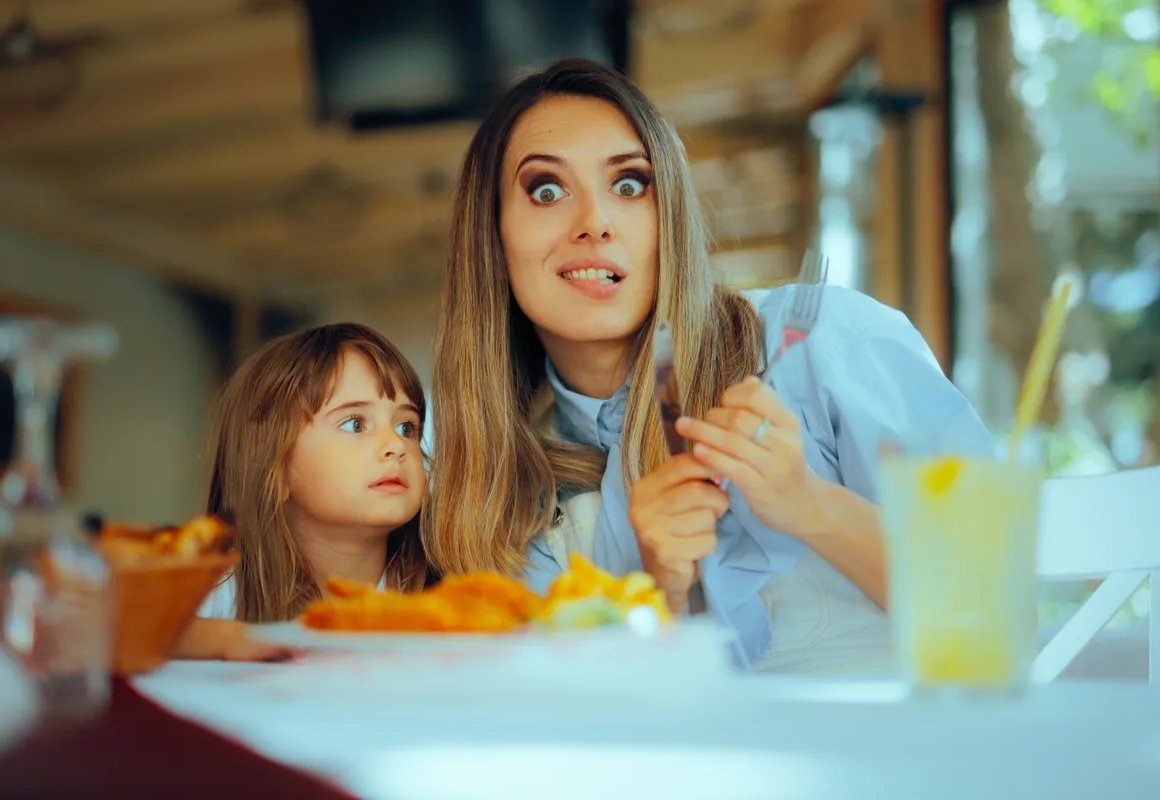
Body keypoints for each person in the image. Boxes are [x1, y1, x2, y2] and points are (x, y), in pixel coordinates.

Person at [424, 58, 993, 672]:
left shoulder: (826, 342)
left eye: (629, 185)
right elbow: (577, 732)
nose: (594, 223)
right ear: (491, 235)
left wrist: (809, 504)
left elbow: (994, 604)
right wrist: (660, 589)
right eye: (546, 190)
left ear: (668, 214)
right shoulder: (499, 498)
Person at [174, 323, 431, 661]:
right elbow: (127, 630)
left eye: (406, 427)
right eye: (355, 423)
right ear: (275, 469)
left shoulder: (442, 593)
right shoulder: (221, 593)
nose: (396, 445)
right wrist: (226, 639)